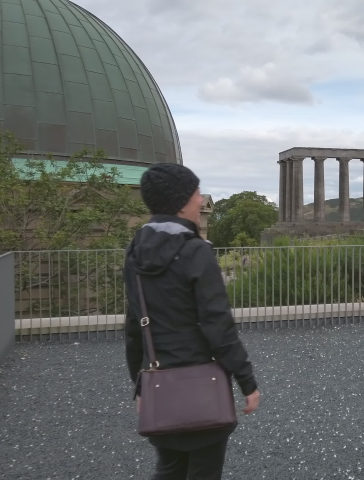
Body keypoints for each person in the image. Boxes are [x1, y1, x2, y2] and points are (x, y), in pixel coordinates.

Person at [124, 163, 260, 480]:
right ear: (182, 200)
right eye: (197, 193)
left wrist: (140, 385)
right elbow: (218, 327)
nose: (202, 200)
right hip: (203, 386)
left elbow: (134, 328)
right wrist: (247, 382)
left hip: (158, 385)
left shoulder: (134, 252)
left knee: (169, 470)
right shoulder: (196, 251)